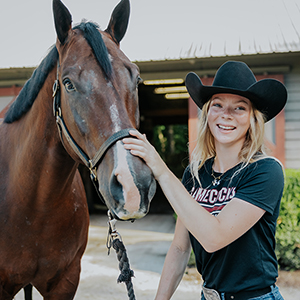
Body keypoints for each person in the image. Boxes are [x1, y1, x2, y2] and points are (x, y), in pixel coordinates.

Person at [122, 61, 288, 300]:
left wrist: (160, 169)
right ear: (207, 113)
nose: (226, 115)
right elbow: (180, 247)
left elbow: (213, 238)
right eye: (217, 105)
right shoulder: (196, 174)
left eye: (239, 108)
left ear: (252, 119)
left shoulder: (264, 171)